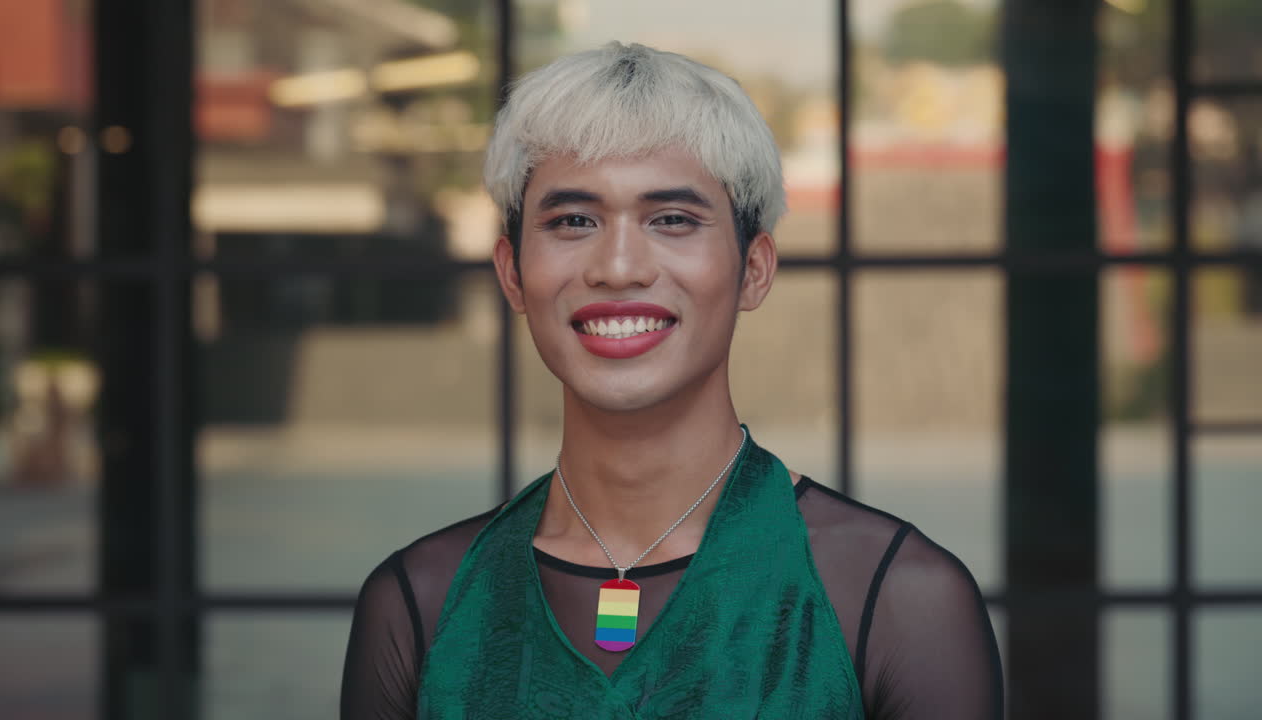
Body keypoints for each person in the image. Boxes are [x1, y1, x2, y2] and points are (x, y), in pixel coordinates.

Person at [341, 42, 1003, 719]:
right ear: (512, 272)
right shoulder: (420, 604)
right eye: (573, 221)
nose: (619, 267)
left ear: (754, 270)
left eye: (673, 220)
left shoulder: (894, 598)